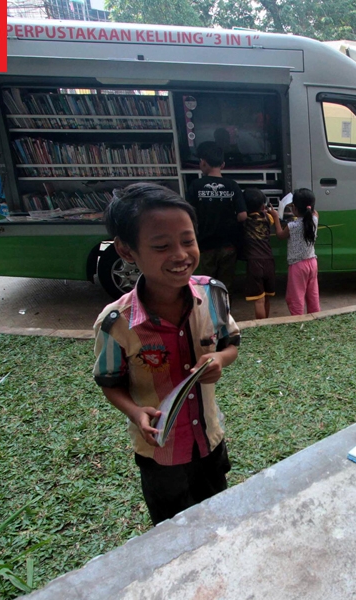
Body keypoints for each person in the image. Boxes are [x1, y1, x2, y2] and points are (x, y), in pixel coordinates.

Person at [93, 182, 241, 525]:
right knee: (171, 533)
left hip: (209, 442)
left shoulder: (213, 295)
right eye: (161, 246)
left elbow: (231, 343)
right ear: (127, 251)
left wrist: (221, 359)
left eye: (188, 241)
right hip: (159, 454)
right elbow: (109, 382)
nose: (180, 254)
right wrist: (134, 412)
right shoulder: (115, 324)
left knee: (216, 519)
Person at [186, 141, 247, 290]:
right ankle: (224, 311)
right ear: (223, 164)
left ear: (203, 162)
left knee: (208, 284)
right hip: (229, 246)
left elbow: (188, 214)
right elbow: (243, 216)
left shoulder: (195, 185)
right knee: (226, 285)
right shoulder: (232, 185)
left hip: (206, 245)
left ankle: (210, 312)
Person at [272, 188, 320, 315]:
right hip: (312, 262)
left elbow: (280, 235)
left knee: (296, 297)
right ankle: (315, 318)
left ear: (295, 208)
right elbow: (312, 212)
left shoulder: (292, 226)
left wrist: (276, 217)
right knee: (312, 295)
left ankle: (297, 321)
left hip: (298, 266)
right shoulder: (314, 219)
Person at [242, 188, 276, 319]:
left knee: (259, 300)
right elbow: (273, 217)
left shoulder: (244, 221)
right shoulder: (267, 218)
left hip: (253, 262)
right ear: (263, 205)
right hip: (269, 260)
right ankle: (266, 324)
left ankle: (260, 326)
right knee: (267, 297)